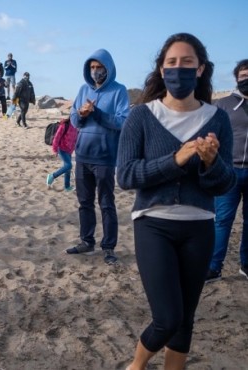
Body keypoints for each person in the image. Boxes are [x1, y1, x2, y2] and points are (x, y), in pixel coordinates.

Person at [117, 33, 236, 370]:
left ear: (200, 70)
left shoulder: (217, 119)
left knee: (185, 319)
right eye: (172, 63)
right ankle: (135, 366)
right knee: (167, 318)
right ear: (161, 68)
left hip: (200, 227)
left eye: (187, 63)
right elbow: (125, 176)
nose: (179, 69)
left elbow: (223, 185)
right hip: (153, 224)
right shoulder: (141, 116)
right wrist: (177, 159)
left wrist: (212, 164)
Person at [66, 49, 129, 265]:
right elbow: (74, 119)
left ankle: (109, 247)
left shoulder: (119, 91)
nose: (95, 71)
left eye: (99, 67)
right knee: (84, 202)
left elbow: (122, 121)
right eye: (92, 67)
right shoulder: (84, 89)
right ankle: (87, 241)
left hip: (105, 157)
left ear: (107, 68)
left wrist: (97, 113)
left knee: (106, 203)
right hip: (82, 155)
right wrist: (81, 114)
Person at [206, 59, 248, 283]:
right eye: (243, 76)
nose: (246, 79)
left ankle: (246, 264)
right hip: (229, 171)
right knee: (222, 220)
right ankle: (214, 266)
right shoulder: (223, 105)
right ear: (237, 79)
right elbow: (211, 133)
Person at [46, 117, 78, 191]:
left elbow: (76, 140)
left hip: (69, 150)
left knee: (68, 168)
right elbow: (56, 138)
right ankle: (52, 176)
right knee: (69, 165)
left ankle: (67, 187)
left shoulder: (77, 127)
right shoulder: (64, 125)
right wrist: (55, 149)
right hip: (61, 149)